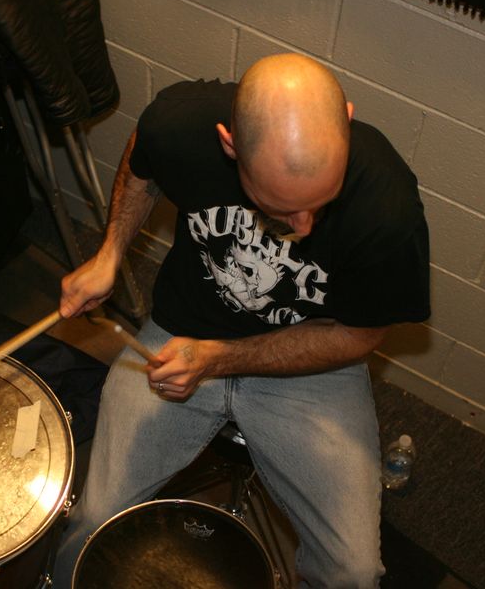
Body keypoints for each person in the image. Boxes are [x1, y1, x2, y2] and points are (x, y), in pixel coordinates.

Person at [52, 53, 430, 588]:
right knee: (92, 525)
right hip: (184, 331)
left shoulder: (388, 207)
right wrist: (109, 252)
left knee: (353, 572)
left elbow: (360, 334)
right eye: (278, 207)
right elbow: (144, 156)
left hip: (312, 359)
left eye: (320, 203)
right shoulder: (183, 122)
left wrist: (219, 360)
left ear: (346, 118)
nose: (303, 226)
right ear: (229, 146)